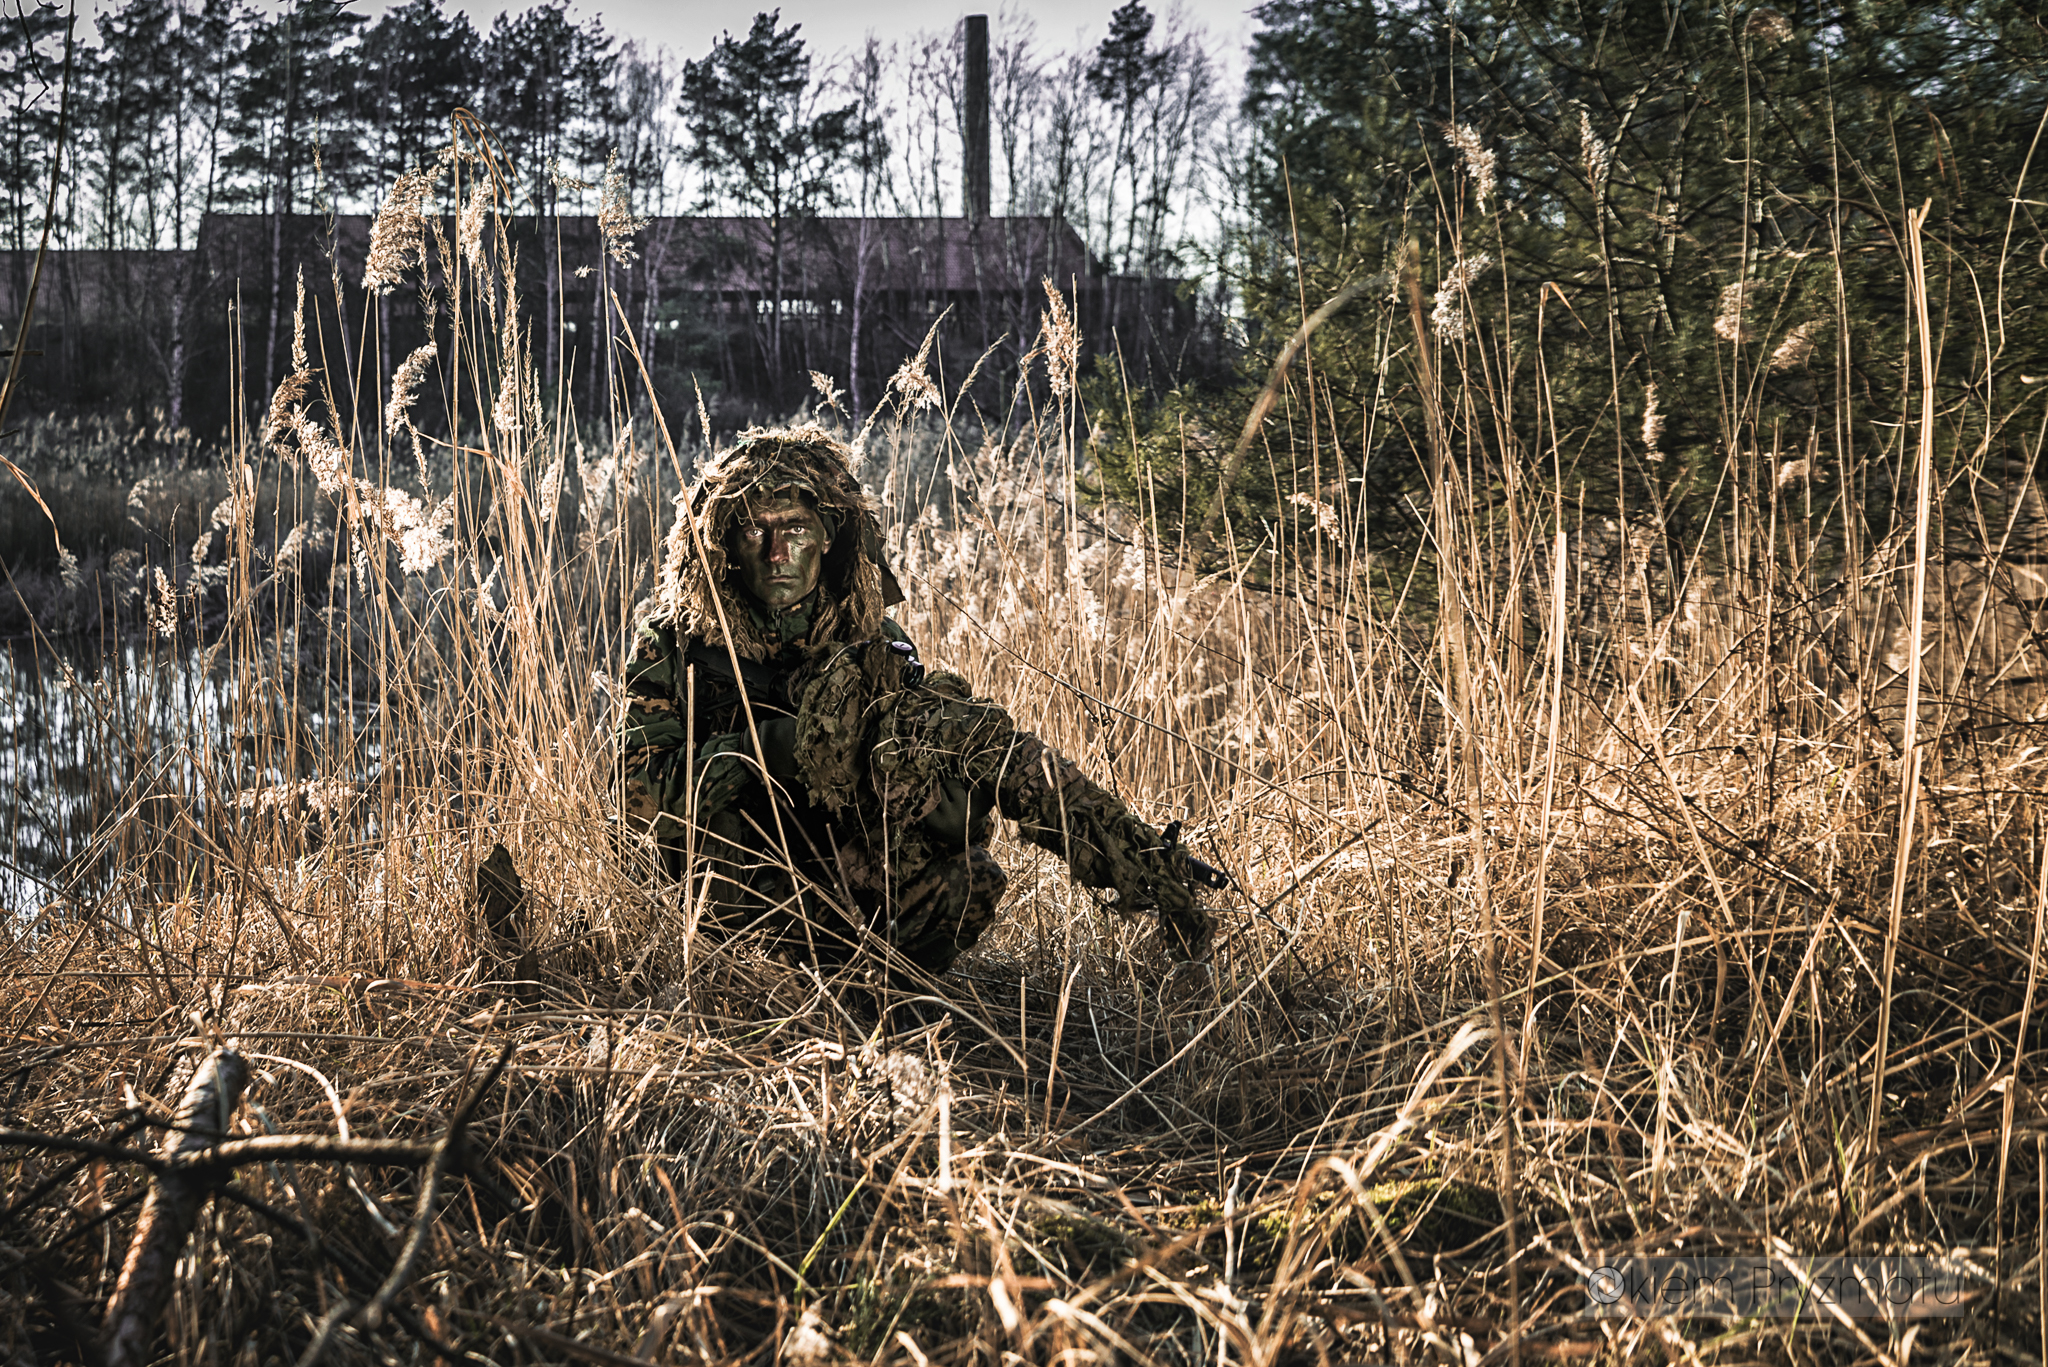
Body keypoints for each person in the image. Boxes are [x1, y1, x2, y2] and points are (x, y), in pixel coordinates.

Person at [617, 424, 1218, 981]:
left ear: (828, 537)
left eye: (795, 529)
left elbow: (947, 766)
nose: (776, 551)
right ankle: (765, 987)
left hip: (837, 876)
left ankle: (884, 994)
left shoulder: (872, 643)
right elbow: (633, 793)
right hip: (725, 891)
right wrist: (766, 748)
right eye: (755, 530)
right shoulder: (676, 642)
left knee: (970, 873)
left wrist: (947, 813)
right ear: (725, 544)